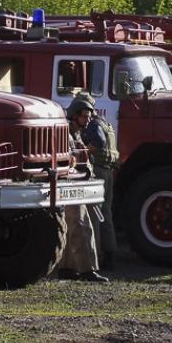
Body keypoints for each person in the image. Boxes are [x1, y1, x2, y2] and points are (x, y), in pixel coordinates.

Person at [56, 95, 109, 283]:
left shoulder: (74, 134)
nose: (87, 120)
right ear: (74, 115)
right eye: (84, 116)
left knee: (72, 227)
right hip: (69, 184)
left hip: (72, 183)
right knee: (81, 224)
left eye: (88, 116)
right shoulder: (67, 135)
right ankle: (87, 270)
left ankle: (67, 268)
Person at [73, 94, 119, 271]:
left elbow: (98, 142)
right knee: (106, 213)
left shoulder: (93, 124)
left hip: (99, 170)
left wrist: (83, 151)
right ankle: (110, 253)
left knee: (96, 213)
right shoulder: (104, 122)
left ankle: (97, 255)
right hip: (108, 170)